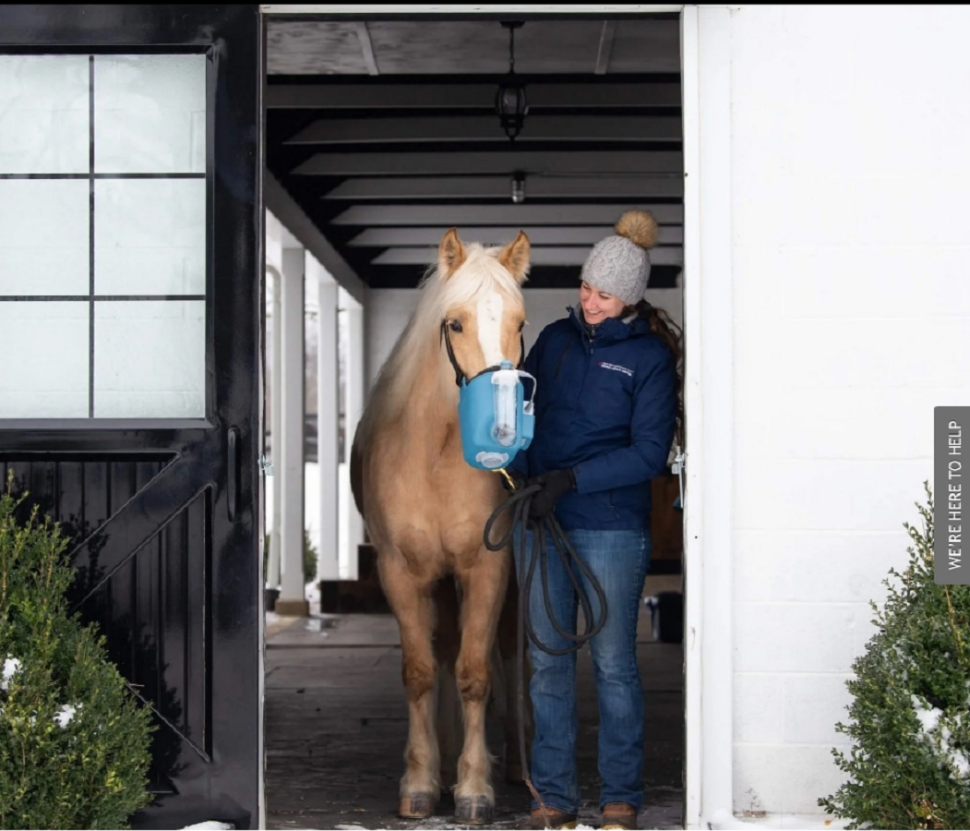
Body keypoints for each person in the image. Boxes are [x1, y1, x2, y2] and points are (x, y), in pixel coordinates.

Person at [507, 210, 682, 831]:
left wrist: (571, 480)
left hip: (609, 525)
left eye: (604, 293)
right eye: (586, 286)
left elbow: (648, 453)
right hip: (543, 523)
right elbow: (523, 410)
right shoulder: (553, 341)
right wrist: (521, 469)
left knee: (613, 665)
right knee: (548, 662)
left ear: (630, 297)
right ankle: (552, 797)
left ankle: (620, 799)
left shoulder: (650, 359)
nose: (590, 300)